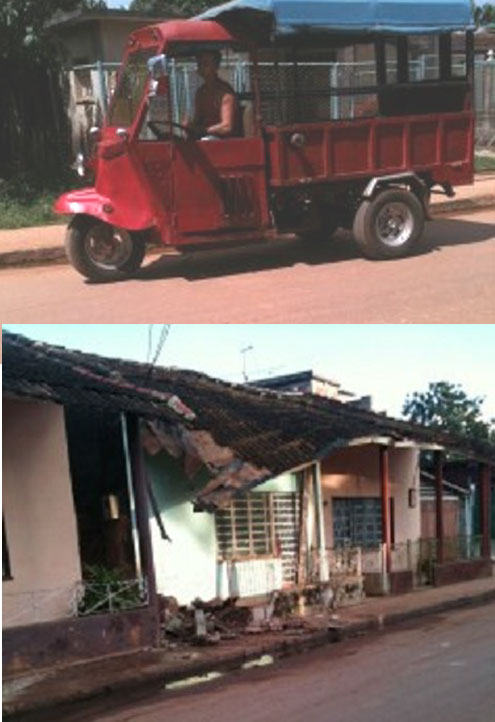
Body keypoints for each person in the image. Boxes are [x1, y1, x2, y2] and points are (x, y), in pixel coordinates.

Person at [187, 50, 242, 139]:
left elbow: (227, 126)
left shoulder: (225, 93)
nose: (201, 67)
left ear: (216, 66)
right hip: (206, 138)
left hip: (225, 143)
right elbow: (198, 120)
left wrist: (205, 130)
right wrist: (190, 126)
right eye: (199, 64)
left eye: (205, 64)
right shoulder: (201, 92)